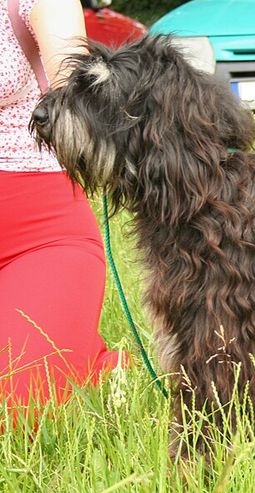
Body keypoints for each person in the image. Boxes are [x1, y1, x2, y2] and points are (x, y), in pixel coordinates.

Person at [1, 0, 120, 408]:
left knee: (16, 406)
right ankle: (73, 346)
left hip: (37, 232)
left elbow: (75, 85)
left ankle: (94, 364)